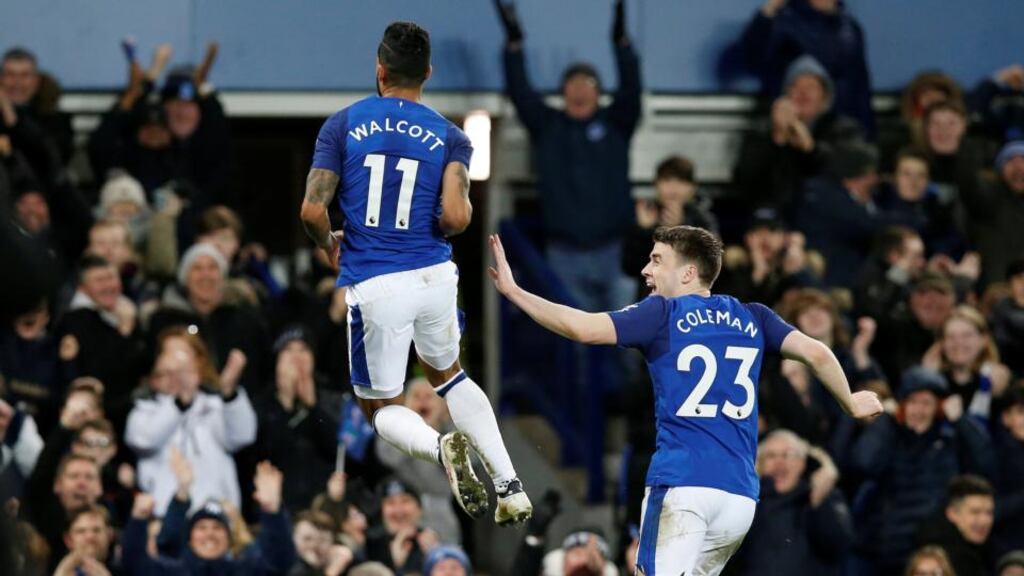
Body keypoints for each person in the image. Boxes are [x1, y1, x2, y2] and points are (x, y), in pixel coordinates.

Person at [487, 225, 882, 575]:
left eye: (657, 260)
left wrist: (516, 292)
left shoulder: (662, 313)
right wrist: (849, 399)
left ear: (689, 273)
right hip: (740, 499)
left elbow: (581, 328)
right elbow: (817, 353)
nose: (646, 270)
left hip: (684, 487)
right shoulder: (754, 316)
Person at [300, 21, 530, 524]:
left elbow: (313, 213)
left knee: (380, 407)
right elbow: (455, 217)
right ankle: (511, 485)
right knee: (450, 377)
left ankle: (440, 447)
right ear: (427, 72)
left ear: (379, 70)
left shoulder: (342, 125)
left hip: (377, 283)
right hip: (434, 277)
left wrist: (329, 245)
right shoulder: (450, 136)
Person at [495, 0, 641, 313]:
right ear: (562, 91)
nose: (578, 89)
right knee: (575, 346)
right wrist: (514, 45)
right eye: (572, 83)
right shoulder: (548, 127)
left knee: (626, 341)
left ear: (598, 90)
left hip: (614, 253)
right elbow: (521, 92)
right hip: (565, 254)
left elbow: (631, 90)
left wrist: (621, 44)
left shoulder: (616, 123)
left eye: (586, 82)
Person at [849, 367, 995, 575]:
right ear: (903, 404)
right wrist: (884, 421)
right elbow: (862, 464)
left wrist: (961, 420)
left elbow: (985, 464)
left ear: (938, 407)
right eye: (913, 402)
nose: (919, 410)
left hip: (934, 553)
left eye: (927, 403)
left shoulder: (949, 440)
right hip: (888, 550)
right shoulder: (890, 435)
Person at [124, 328, 255, 515]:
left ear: (199, 361)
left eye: (185, 354)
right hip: (164, 513)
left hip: (218, 512)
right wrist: (180, 404)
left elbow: (242, 437)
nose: (179, 363)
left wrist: (228, 394)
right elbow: (143, 440)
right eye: (171, 354)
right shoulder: (146, 407)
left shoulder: (215, 404)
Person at [738, 0, 875, 136]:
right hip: (799, 129)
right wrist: (768, 11)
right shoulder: (786, 22)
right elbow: (753, 57)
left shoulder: (850, 28)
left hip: (845, 132)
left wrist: (868, 133)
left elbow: (860, 85)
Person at [730, 429, 854, 576]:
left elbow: (838, 547)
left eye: (788, 455)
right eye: (770, 456)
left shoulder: (823, 496)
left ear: (803, 463)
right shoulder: (747, 503)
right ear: (759, 465)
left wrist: (819, 501)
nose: (779, 462)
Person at [622, 155, 718, 299]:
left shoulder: (702, 219)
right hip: (651, 301)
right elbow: (630, 267)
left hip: (693, 304)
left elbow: (711, 266)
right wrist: (643, 231)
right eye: (667, 181)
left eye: (681, 181)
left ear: (693, 187)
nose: (673, 189)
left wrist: (680, 229)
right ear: (656, 184)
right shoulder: (646, 216)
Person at [962, 140, 1024, 287]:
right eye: (1011, 161)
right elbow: (967, 182)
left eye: (1023, 161)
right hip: (996, 289)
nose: (1019, 168)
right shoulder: (987, 200)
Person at [916, 475, 996, 576]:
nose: (984, 521)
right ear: (952, 513)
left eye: (989, 513)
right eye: (975, 512)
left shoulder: (985, 549)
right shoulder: (936, 559)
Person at [992, 386, 1024, 558]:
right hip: (1008, 550)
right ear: (1005, 418)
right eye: (1021, 412)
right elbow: (991, 510)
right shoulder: (995, 454)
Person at [52, 504, 120, 576]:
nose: (90, 537)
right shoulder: (55, 572)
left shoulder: (127, 570)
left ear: (109, 535)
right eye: (81, 531)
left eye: (97, 530)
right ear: (68, 540)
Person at [990, 258, 1024, 376]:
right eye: (1019, 279)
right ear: (1009, 284)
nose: (1023, 285)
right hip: (1007, 371)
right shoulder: (1000, 309)